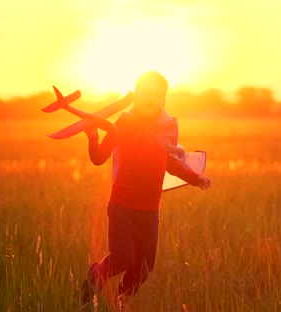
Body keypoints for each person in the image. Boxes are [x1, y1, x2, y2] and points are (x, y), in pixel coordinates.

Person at [81, 71, 212, 309]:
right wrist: (92, 136)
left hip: (150, 211)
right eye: (144, 93)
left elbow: (170, 163)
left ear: (164, 99)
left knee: (144, 267)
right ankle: (95, 276)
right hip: (122, 206)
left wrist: (195, 178)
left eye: (156, 94)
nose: (150, 98)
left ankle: (121, 300)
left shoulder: (165, 130)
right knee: (122, 258)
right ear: (136, 95)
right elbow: (99, 157)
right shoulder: (123, 124)